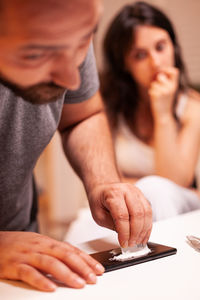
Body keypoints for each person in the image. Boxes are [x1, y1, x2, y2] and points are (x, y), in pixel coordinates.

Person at [0, 0, 152, 292]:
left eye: (83, 39)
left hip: (23, 247)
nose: (71, 77)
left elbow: (82, 115)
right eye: (36, 54)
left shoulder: (68, 24)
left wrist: (103, 181)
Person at [101, 1, 200, 221]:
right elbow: (104, 183)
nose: (155, 62)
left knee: (157, 189)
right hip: (124, 208)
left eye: (160, 47)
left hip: (182, 209)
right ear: (125, 64)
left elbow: (172, 182)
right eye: (140, 55)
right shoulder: (109, 108)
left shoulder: (193, 108)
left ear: (173, 46)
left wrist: (163, 114)